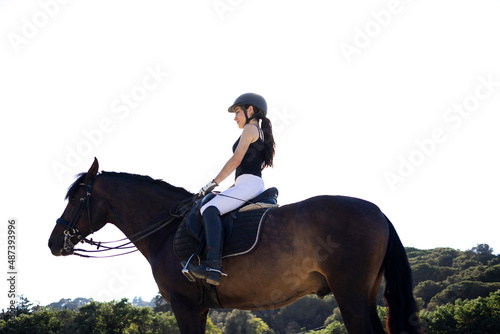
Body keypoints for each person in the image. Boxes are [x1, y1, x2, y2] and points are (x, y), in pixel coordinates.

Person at [187, 92, 276, 285]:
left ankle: (212, 266)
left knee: (208, 209)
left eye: (237, 112)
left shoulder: (250, 129)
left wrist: (212, 183)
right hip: (246, 183)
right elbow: (245, 169)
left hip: (250, 184)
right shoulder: (255, 131)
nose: (235, 117)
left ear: (250, 110)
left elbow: (236, 160)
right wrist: (228, 188)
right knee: (213, 204)